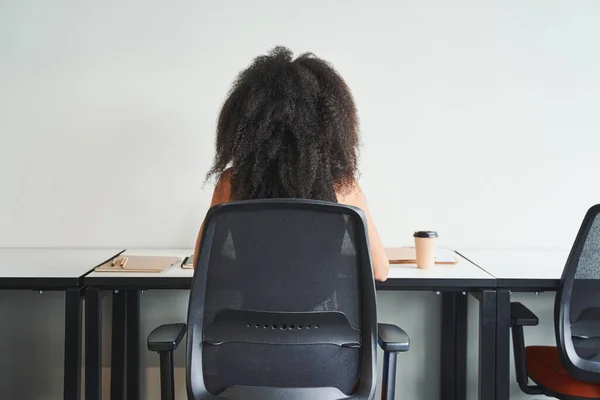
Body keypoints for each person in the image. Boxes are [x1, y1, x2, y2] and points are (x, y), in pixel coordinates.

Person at [194, 46, 389, 281]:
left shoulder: (232, 183)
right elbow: (379, 272)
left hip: (244, 316)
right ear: (329, 126)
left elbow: (201, 263)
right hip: (326, 317)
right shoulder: (343, 186)